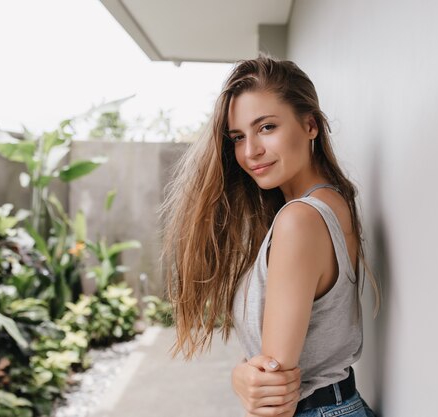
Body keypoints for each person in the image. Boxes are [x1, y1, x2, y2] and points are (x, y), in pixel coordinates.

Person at [159, 54, 380, 417]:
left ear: (310, 125)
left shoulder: (300, 219)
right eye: (237, 137)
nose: (250, 152)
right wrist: (242, 375)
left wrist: (244, 376)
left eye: (266, 128)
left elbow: (274, 396)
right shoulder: (329, 202)